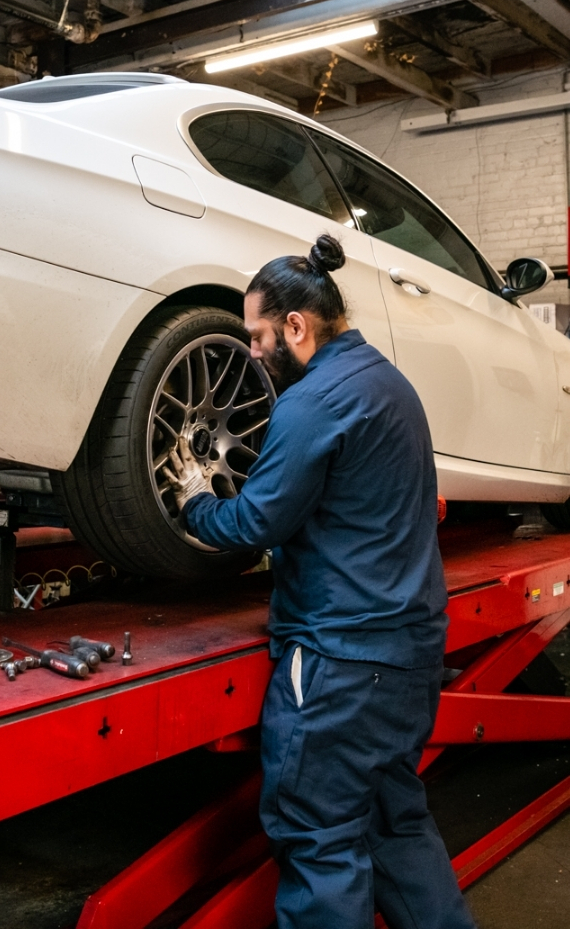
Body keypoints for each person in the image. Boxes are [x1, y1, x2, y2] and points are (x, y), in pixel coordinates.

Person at [164, 234, 475, 929]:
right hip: (411, 651)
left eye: (257, 335)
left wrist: (194, 500)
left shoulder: (314, 403)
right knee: (397, 824)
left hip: (339, 663)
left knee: (320, 838)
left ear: (296, 328)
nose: (251, 351)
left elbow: (253, 523)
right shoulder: (391, 386)